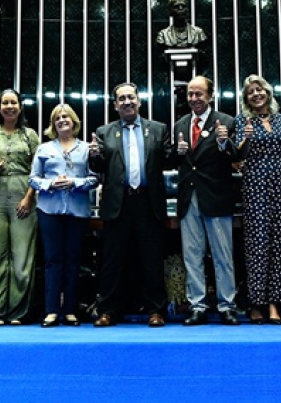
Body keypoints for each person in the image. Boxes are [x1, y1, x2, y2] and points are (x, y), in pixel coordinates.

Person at [89, 82, 170, 327]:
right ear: (115, 105)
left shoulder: (158, 129)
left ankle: (156, 311)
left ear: (139, 101)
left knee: (152, 259)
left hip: (148, 202)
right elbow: (98, 168)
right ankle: (108, 311)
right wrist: (94, 156)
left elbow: (168, 160)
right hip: (117, 203)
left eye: (131, 97)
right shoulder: (104, 132)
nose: (127, 102)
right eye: (121, 98)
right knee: (112, 261)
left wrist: (181, 150)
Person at [171, 76, 240, 326]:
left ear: (210, 96)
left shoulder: (226, 121)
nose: (194, 99)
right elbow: (175, 159)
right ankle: (197, 306)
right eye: (190, 94)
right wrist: (176, 153)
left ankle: (227, 305)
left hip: (217, 197)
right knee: (192, 255)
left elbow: (237, 154)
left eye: (199, 94)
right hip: (189, 198)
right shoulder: (180, 123)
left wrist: (223, 141)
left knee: (223, 255)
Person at [29, 104, 99, 328]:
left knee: (73, 261)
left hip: (77, 212)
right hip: (49, 211)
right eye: (57, 118)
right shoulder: (44, 148)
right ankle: (51, 311)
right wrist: (51, 184)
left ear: (74, 121)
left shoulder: (86, 148)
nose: (62, 120)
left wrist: (74, 183)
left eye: (65, 117)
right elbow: (33, 179)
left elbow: (95, 178)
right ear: (53, 124)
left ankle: (69, 310)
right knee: (52, 260)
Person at [0, 89, 39, 326]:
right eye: (5, 102)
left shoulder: (30, 136)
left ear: (20, 107)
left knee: (22, 258)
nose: (9, 106)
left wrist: (28, 197)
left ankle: (18, 312)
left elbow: (38, 170)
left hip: (24, 197)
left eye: (13, 102)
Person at [234, 75, 281, 325]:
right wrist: (245, 138)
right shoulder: (241, 121)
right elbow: (235, 154)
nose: (256, 94)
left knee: (280, 244)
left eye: (260, 90)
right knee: (257, 245)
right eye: (250, 92)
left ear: (268, 93)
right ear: (246, 98)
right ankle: (255, 304)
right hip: (255, 183)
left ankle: (274, 304)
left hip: (280, 183)